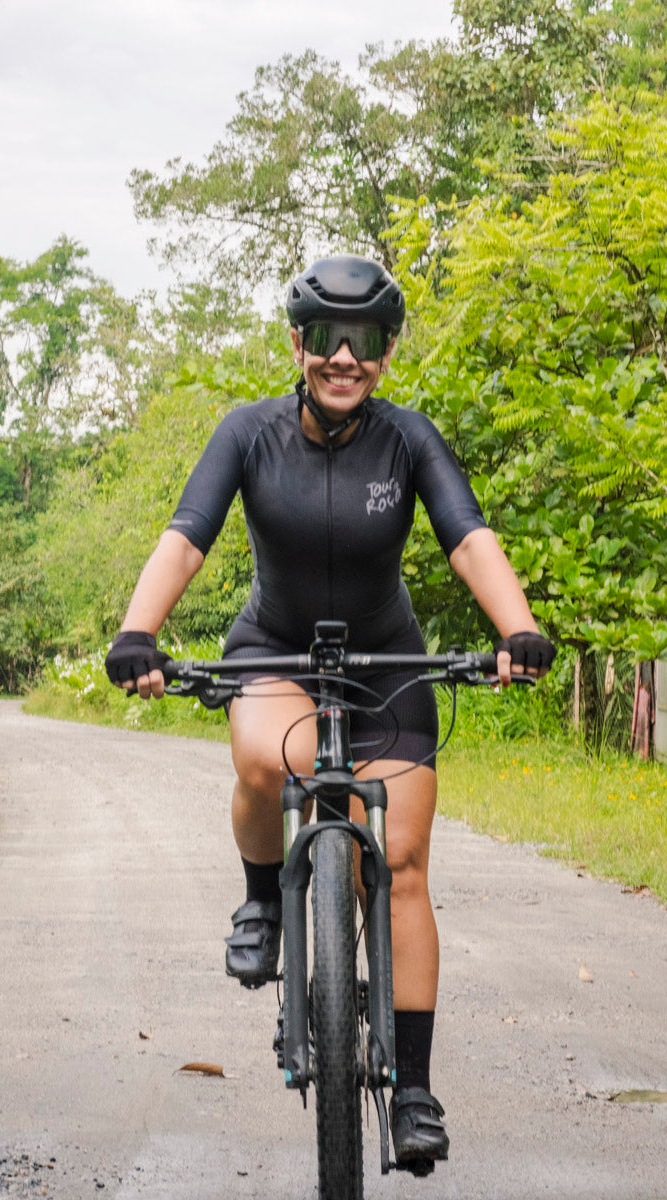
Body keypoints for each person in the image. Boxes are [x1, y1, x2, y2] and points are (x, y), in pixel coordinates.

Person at [104, 255, 555, 1174]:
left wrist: (517, 626)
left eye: (366, 342)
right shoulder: (248, 434)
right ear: (297, 343)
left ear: (387, 351)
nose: (344, 358)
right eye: (325, 339)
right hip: (275, 651)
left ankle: (416, 1090)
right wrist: (138, 630)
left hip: (387, 661)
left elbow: (469, 536)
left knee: (403, 861)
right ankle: (265, 901)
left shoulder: (409, 439)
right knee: (270, 764)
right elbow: (186, 537)